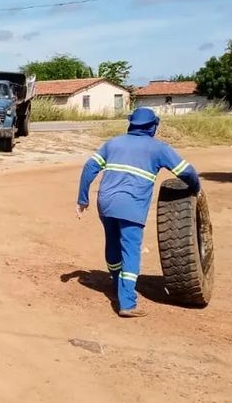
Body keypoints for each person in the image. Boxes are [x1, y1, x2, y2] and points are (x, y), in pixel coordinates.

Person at [76, 107, 200, 317]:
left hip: (105, 204)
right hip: (132, 207)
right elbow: (186, 172)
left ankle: (117, 284)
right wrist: (196, 189)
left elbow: (89, 167)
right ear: (153, 126)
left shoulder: (113, 143)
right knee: (130, 251)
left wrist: (82, 199)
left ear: (131, 124)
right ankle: (127, 303)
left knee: (112, 243)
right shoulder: (158, 148)